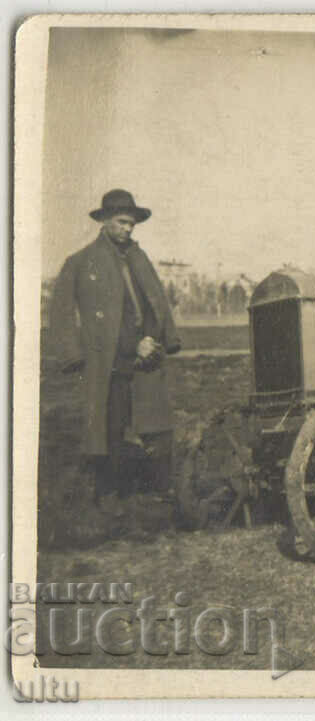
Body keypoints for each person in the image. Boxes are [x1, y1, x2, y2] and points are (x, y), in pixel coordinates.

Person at [49, 189, 182, 509]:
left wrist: (152, 339)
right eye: (122, 222)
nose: (128, 229)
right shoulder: (81, 263)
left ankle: (156, 489)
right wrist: (73, 353)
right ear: (105, 221)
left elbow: (155, 305)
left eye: (132, 224)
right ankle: (108, 492)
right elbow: (62, 312)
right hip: (110, 361)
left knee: (156, 421)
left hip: (146, 357)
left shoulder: (138, 258)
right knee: (111, 424)